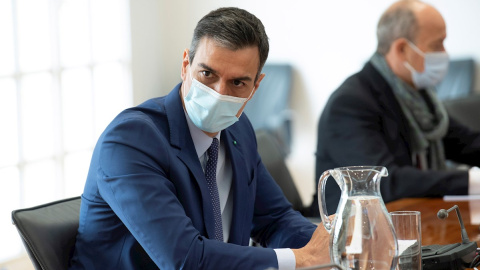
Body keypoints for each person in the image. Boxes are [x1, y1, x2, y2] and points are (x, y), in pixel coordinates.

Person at [69, 7, 329, 270]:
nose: (218, 93)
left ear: (255, 87)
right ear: (186, 66)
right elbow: (185, 259)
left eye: (238, 83)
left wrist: (340, 247)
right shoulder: (129, 141)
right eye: (207, 74)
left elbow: (275, 220)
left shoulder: (238, 131)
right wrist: (302, 259)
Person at [309, 0, 480, 216]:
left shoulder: (418, 96)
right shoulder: (350, 103)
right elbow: (384, 183)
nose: (445, 53)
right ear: (402, 49)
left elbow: (465, 142)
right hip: (354, 231)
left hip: (413, 218)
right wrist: (472, 180)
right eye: (437, 45)